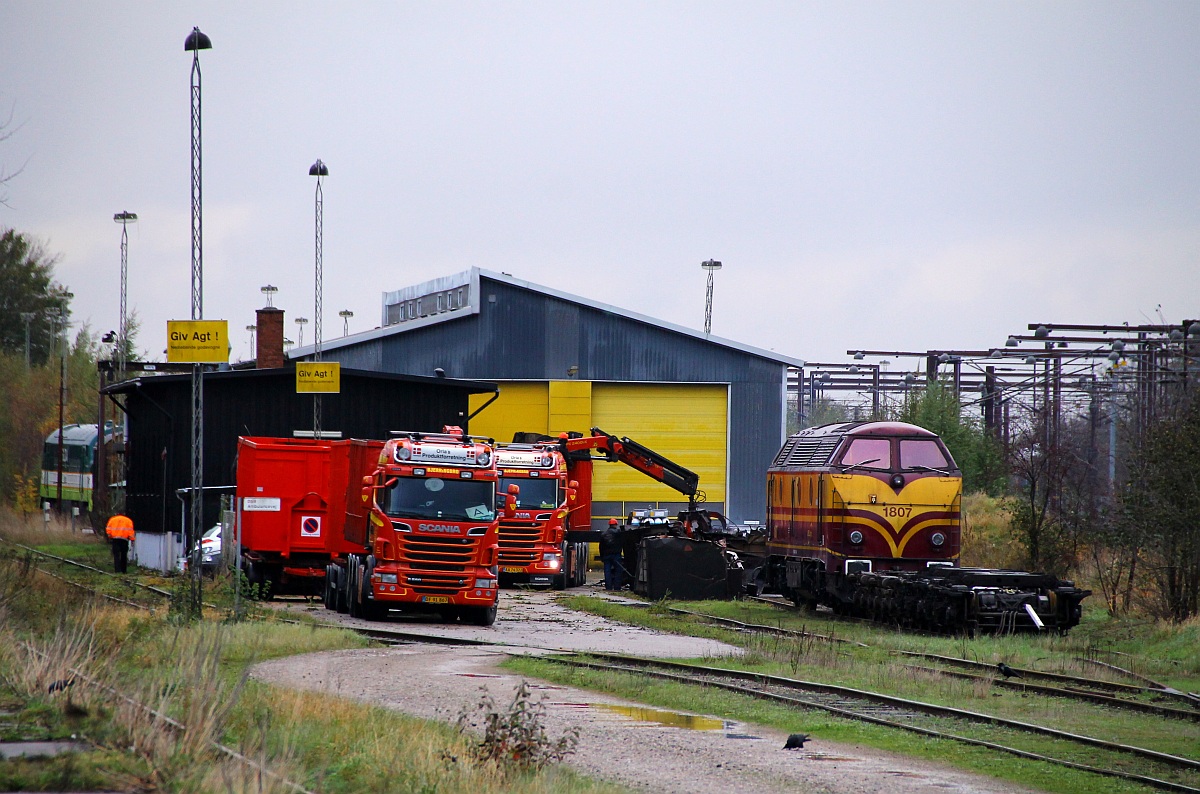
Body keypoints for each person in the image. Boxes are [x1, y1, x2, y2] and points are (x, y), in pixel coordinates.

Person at [599, 518, 623, 591]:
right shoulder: (619, 534)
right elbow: (622, 543)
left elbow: (601, 547)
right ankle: (617, 587)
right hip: (616, 555)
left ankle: (608, 587)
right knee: (618, 571)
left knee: (607, 571)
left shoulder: (604, 534)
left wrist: (602, 556)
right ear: (615, 525)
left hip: (606, 555)